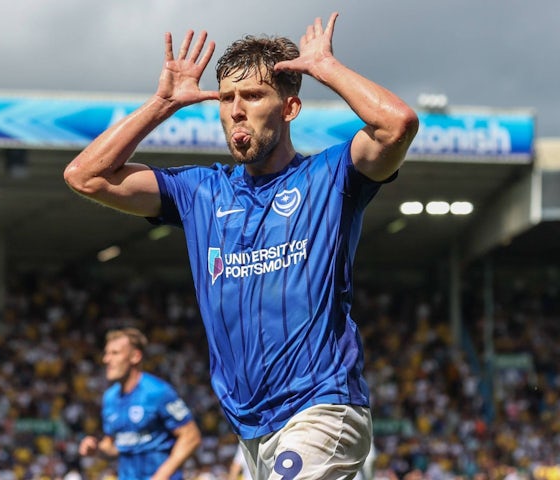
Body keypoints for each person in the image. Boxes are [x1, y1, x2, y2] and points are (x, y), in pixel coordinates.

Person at [65, 10, 418, 479]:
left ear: (289, 107)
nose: (236, 109)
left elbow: (397, 125)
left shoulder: (330, 177)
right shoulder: (201, 193)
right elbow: (85, 176)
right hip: (250, 425)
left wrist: (324, 68)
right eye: (227, 97)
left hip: (321, 406)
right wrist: (161, 103)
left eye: (253, 95)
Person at [78, 328, 201, 480]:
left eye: (115, 353)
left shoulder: (157, 392)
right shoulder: (109, 398)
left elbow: (191, 436)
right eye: (106, 353)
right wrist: (95, 448)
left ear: (135, 356)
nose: (106, 359)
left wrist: (160, 476)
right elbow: (115, 447)